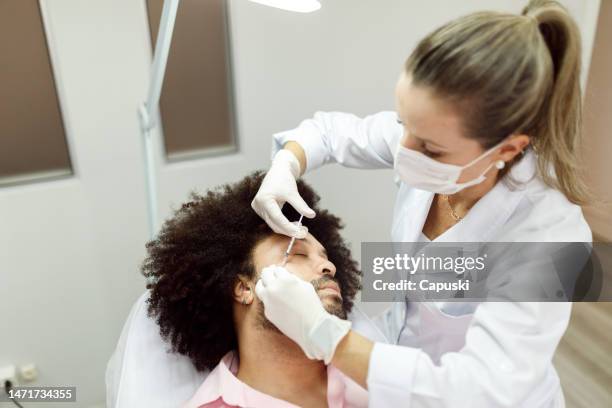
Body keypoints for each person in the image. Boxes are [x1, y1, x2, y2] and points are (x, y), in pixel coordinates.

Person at [251, 1, 592, 407]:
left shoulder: (551, 237)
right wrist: (287, 162)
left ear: (509, 148)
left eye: (429, 147)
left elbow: (482, 390)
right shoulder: (425, 140)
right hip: (396, 361)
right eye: (403, 124)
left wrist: (323, 334)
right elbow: (329, 133)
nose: (403, 149)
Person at [142, 172, 367, 408]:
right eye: (298, 254)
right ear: (243, 288)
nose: (329, 266)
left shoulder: (373, 371)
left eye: (327, 257)